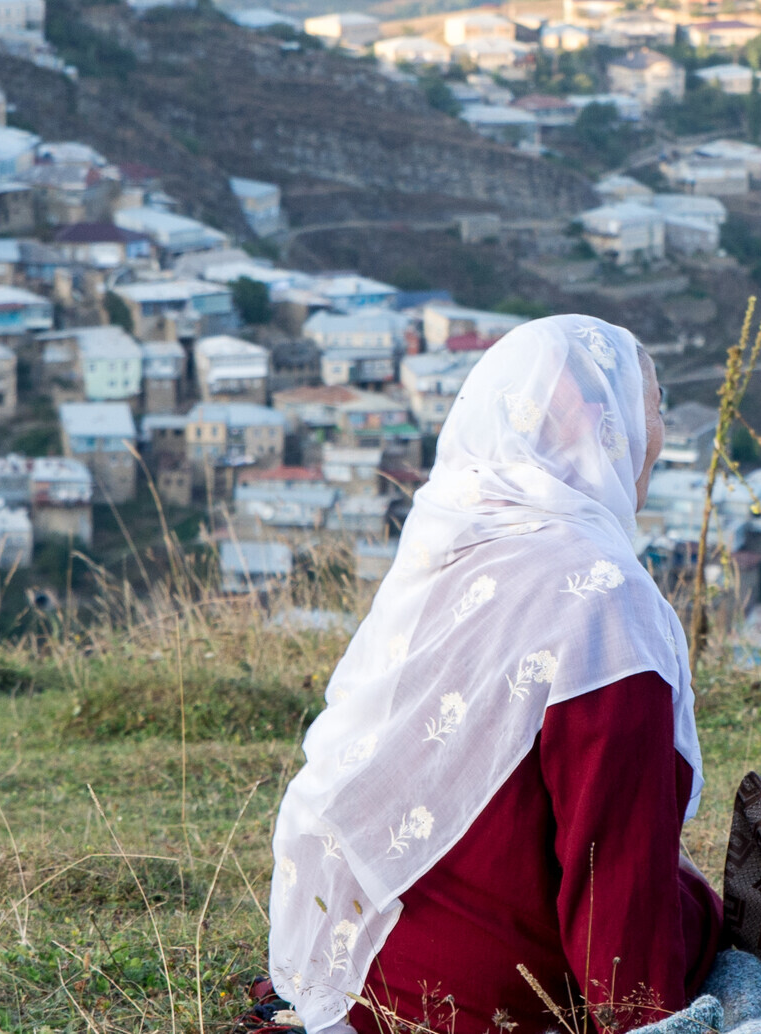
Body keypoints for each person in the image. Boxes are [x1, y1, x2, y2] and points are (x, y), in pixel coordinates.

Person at [266, 315, 719, 1034]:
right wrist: (640, 1017)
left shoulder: (458, 542)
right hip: (484, 997)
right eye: (653, 408)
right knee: (705, 919)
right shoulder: (603, 600)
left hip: (368, 968)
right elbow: (614, 862)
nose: (657, 435)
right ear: (604, 424)